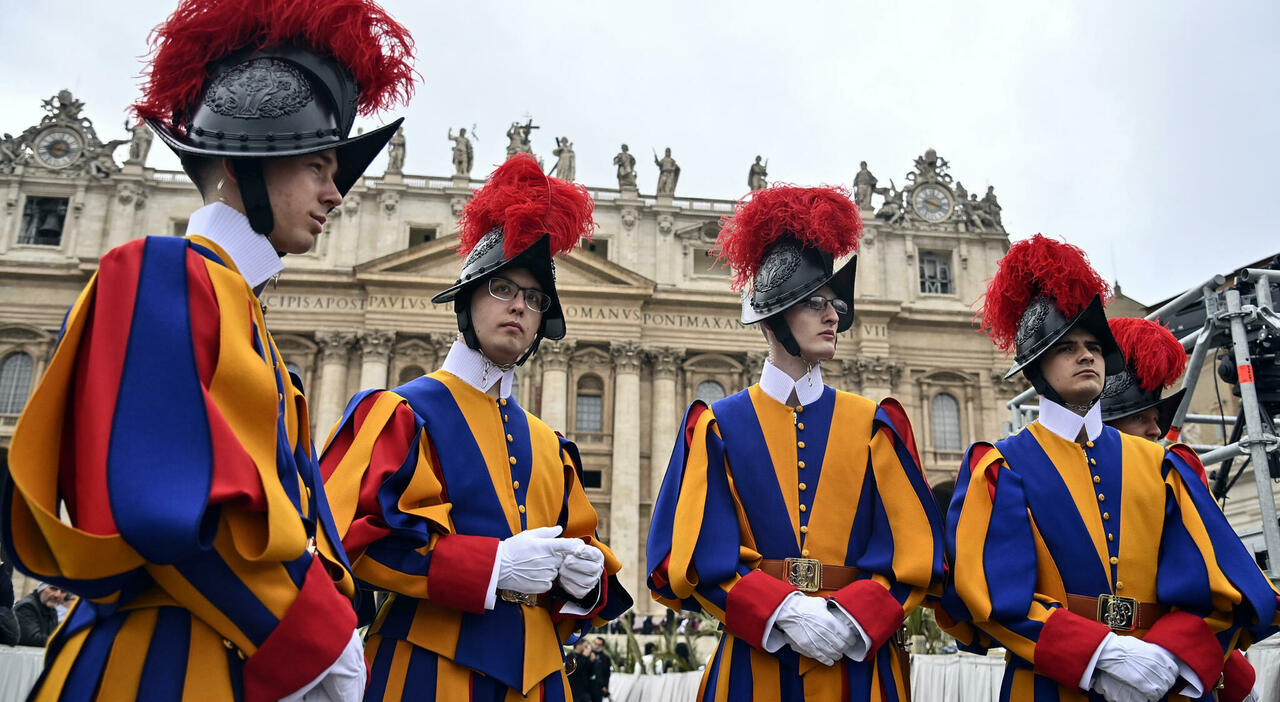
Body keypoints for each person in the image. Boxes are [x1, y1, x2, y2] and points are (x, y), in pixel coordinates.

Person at [0, 0, 415, 698]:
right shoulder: (160, 272)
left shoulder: (239, 308)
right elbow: (161, 502)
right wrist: (316, 638)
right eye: (318, 167)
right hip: (158, 661)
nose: (335, 194)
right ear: (247, 163)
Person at [320, 154, 631, 701]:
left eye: (534, 300)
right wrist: (494, 565)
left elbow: (583, 551)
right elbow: (350, 539)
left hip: (539, 682)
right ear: (466, 298)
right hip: (426, 673)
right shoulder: (400, 412)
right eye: (503, 289)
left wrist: (585, 582)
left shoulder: (549, 444)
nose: (519, 307)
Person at [944, 235, 1279, 702]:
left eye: (1094, 347)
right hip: (1050, 683)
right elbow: (993, 594)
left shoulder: (1163, 465)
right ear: (1034, 368)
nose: (1086, 355)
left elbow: (1216, 584)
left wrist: (1173, 656)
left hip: (1164, 681)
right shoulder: (1001, 465)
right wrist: (1096, 656)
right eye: (1067, 347)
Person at [647, 185, 943, 701]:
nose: (833, 315)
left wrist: (856, 618)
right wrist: (780, 610)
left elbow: (912, 550)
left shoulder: (876, 423)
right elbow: (695, 552)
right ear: (775, 315)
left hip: (861, 663)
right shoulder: (717, 425)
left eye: (835, 303)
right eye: (814, 302)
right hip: (753, 662)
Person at [1101, 317, 1271, 702]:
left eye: (1155, 419)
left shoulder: (1175, 473)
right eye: (1141, 418)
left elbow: (1220, 583)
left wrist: (1168, 654)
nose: (1155, 431)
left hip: (1185, 669)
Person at [589, 636, 612, 701]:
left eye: (599, 645)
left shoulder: (606, 658)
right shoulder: (587, 654)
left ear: (602, 646)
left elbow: (607, 674)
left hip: (599, 687)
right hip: (587, 687)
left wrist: (605, 686)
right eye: (595, 644)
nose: (597, 646)